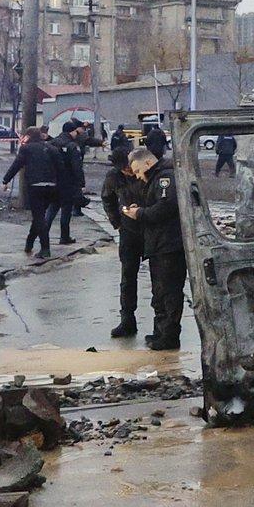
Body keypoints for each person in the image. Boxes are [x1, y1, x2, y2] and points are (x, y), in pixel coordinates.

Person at [121, 146, 185, 350]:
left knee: (169, 292)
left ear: (148, 163)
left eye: (139, 171)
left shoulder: (165, 178)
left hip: (169, 245)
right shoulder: (156, 180)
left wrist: (140, 214)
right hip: (159, 245)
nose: (138, 177)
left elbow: (166, 207)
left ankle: (169, 336)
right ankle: (160, 332)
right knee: (159, 293)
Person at [101, 139, 150, 338]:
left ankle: (162, 325)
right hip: (128, 230)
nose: (129, 172)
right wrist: (117, 222)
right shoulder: (114, 177)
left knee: (161, 279)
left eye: (130, 168)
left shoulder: (147, 168)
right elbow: (107, 198)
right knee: (128, 277)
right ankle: (127, 319)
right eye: (125, 170)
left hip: (151, 228)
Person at [3, 126, 61, 259]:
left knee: (39, 217)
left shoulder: (26, 149)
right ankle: (29, 243)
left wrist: (5, 180)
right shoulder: (52, 148)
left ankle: (45, 248)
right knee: (39, 217)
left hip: (35, 186)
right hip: (51, 186)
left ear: (28, 136)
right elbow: (60, 168)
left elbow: (16, 165)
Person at [50, 121, 87, 244]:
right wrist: (81, 184)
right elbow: (77, 167)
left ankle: (42, 233)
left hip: (53, 181)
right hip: (68, 183)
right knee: (66, 210)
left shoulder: (53, 143)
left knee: (52, 208)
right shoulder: (72, 146)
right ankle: (64, 237)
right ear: (71, 131)